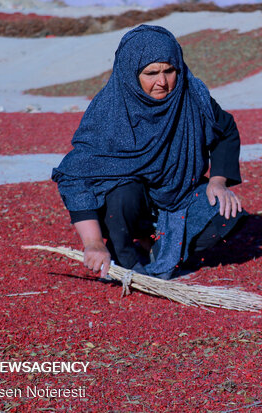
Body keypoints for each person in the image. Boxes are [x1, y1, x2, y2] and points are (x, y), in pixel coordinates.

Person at [52, 25, 247, 280]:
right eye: (151, 73)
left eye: (169, 70)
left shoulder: (192, 97)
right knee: (123, 194)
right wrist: (93, 243)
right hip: (127, 204)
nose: (162, 82)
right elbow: (75, 176)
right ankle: (124, 256)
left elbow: (226, 130)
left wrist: (218, 181)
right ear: (130, 74)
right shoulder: (109, 111)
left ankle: (156, 244)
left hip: (178, 195)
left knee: (225, 213)